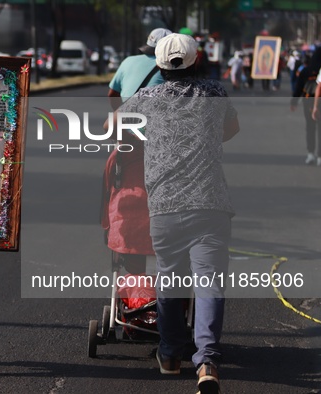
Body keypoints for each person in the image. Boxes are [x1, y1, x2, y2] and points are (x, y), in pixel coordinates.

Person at [112, 33, 240, 393]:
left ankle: (169, 355)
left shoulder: (146, 99)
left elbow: (111, 127)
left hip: (165, 206)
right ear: (197, 61)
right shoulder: (214, 93)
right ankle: (208, 361)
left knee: (169, 278)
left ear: (159, 65)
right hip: (211, 203)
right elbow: (232, 128)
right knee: (209, 282)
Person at [102, 28, 172, 277]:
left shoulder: (129, 62)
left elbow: (112, 96)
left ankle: (108, 223)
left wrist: (122, 113)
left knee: (112, 174)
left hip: (127, 143)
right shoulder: (172, 73)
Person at [107, 28, 172, 109]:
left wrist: (120, 115)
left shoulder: (128, 61)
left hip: (128, 114)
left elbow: (112, 94)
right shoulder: (171, 67)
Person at [291, 48, 321, 166]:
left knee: (310, 127)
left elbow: (298, 87)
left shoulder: (306, 70)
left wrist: (294, 102)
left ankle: (310, 153)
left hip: (308, 101)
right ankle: (320, 156)